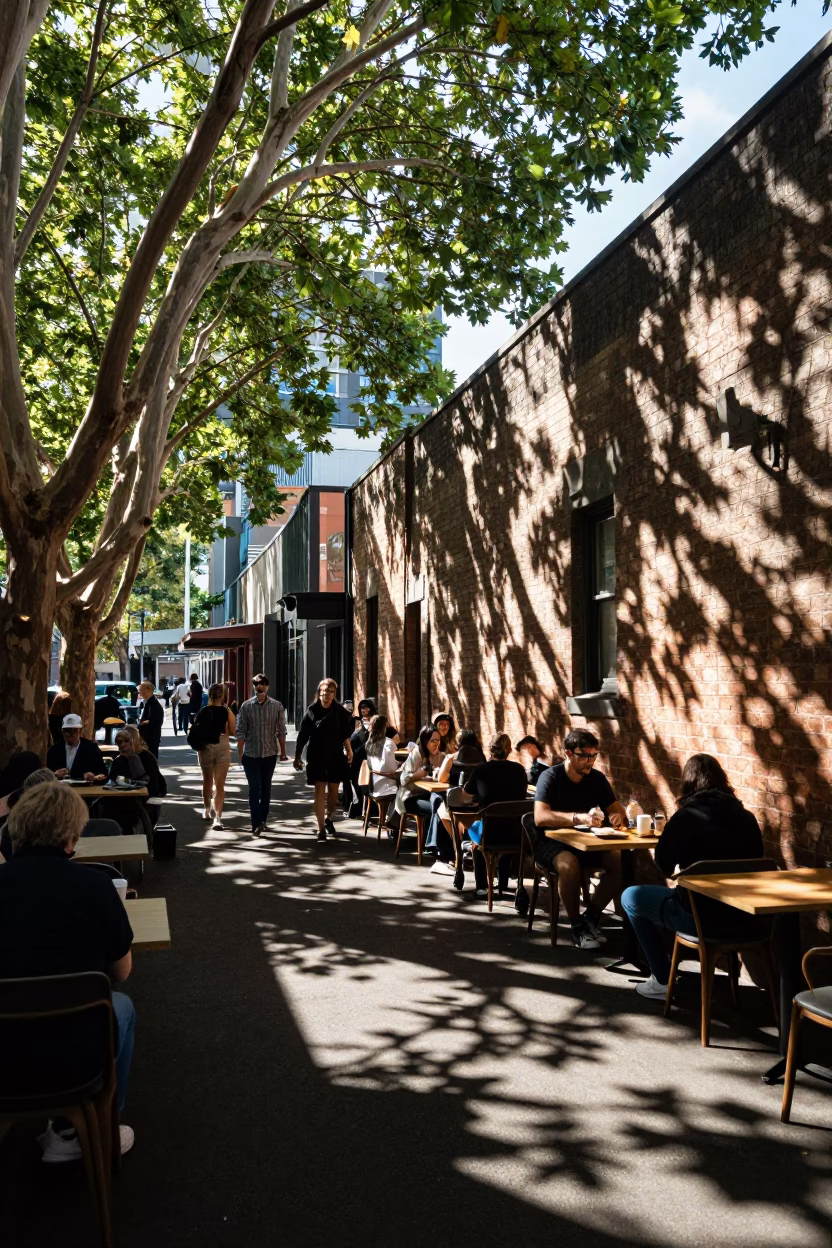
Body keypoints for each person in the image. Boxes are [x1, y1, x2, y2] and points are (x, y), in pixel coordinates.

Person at [0, 783, 136, 1161]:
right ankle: (94, 1126)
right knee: (120, 1005)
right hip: (73, 1058)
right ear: (71, 833)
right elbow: (122, 971)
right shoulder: (95, 885)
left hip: (4, 1055)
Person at [621, 754, 764, 1000]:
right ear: (723, 781)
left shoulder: (685, 817)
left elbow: (664, 866)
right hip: (747, 920)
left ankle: (662, 978)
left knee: (630, 896)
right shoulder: (747, 818)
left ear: (687, 784)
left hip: (700, 918)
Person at [531, 728, 628, 950]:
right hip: (550, 843)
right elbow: (540, 816)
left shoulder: (597, 779)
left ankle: (591, 918)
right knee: (569, 864)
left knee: (618, 859)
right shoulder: (550, 777)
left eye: (594, 755)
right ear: (568, 753)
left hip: (585, 842)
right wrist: (577, 818)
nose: (589, 761)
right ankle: (576, 927)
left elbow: (617, 811)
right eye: (584, 755)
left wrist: (616, 817)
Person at [459, 734, 529, 896]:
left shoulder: (481, 769)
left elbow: (464, 795)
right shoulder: (519, 770)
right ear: (509, 749)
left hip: (490, 835)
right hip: (516, 835)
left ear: (490, 749)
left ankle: (482, 887)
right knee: (505, 823)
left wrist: (479, 799)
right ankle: (503, 882)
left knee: (475, 834)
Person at [294, 678, 354, 842]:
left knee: (334, 792)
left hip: (335, 755)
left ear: (334, 694)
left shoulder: (340, 712)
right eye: (324, 691)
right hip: (317, 755)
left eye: (330, 691)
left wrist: (349, 750)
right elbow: (303, 736)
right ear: (319, 692)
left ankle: (329, 817)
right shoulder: (312, 711)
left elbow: (345, 734)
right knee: (319, 790)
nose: (326, 694)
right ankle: (321, 829)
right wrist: (298, 756)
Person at [236, 674, 287, 836]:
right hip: (251, 755)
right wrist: (240, 755)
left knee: (266, 788)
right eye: (257, 684)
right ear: (254, 687)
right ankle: (255, 822)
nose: (261, 686)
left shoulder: (277, 706)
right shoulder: (246, 706)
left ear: (268, 687)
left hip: (269, 754)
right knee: (254, 788)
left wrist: (283, 752)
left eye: (264, 684)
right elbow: (240, 732)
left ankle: (263, 819)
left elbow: (281, 730)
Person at [104, 726, 166, 834]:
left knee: (128, 812)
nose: (123, 745)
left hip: (145, 799)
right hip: (124, 799)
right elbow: (112, 780)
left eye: (126, 741)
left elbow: (152, 785)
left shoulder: (146, 758)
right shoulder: (119, 759)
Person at [191, 683, 236, 829]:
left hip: (205, 749)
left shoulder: (203, 711)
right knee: (220, 784)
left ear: (210, 695)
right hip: (223, 747)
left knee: (207, 780)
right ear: (222, 696)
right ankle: (218, 818)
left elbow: (195, 729)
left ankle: (206, 810)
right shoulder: (227, 711)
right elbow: (234, 731)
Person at [394, 724, 445, 830]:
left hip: (427, 794)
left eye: (438, 740)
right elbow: (403, 780)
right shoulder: (416, 754)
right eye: (433, 741)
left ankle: (438, 842)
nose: (436, 744)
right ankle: (429, 843)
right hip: (409, 797)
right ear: (424, 740)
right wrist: (417, 776)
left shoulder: (438, 755)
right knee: (435, 808)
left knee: (443, 805)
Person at [46, 714, 108, 782]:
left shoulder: (92, 749)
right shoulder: (54, 750)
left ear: (80, 731)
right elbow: (46, 774)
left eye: (75, 730)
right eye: (68, 730)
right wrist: (54, 775)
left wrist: (94, 777)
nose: (71, 733)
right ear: (62, 731)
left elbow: (104, 774)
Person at [137, 680, 164, 757]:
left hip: (151, 736)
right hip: (148, 736)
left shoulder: (153, 704)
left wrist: (143, 723)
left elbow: (156, 721)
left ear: (147, 690)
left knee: (151, 758)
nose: (140, 692)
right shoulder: (148, 702)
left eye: (141, 690)